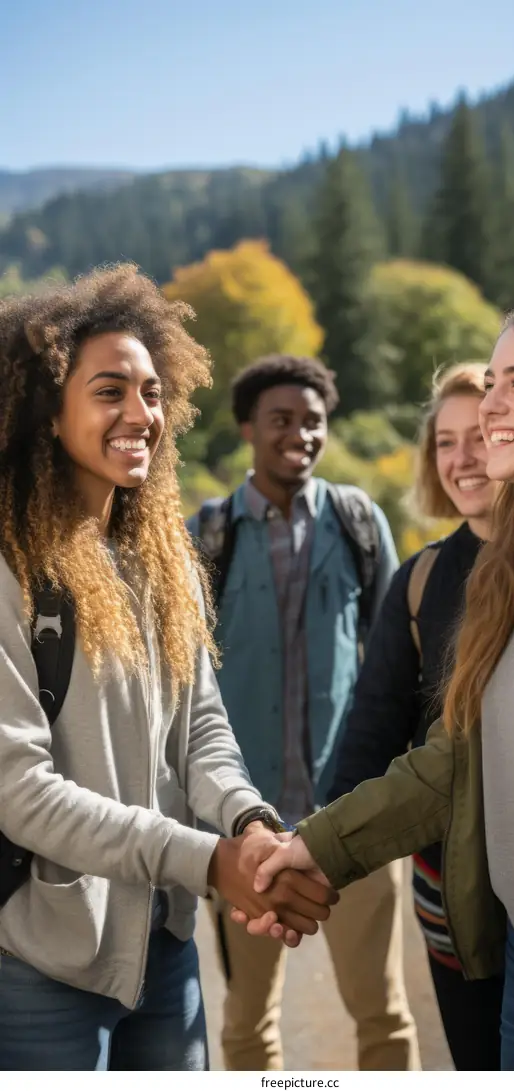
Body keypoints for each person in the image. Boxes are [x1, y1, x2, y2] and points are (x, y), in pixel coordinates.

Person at [246, 292, 514, 1072]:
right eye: (493, 375)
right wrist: (315, 847)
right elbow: (454, 761)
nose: (492, 404)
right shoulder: (506, 580)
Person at [0, 266, 336, 1072]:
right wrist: (207, 859)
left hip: (166, 951)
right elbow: (20, 789)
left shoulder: (164, 561)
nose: (140, 415)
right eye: (109, 391)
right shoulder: (12, 567)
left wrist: (249, 825)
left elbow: (202, 733)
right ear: (49, 409)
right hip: (42, 964)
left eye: (152, 392)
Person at [187, 354, 420, 1071]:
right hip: (246, 829)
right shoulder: (209, 536)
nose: (300, 434)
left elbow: (395, 666)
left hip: (353, 819)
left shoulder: (357, 521)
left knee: (383, 1016)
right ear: (247, 428)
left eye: (313, 421)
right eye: (282, 419)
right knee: (248, 1023)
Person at [327, 362, 504, 1070]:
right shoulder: (423, 576)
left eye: (481, 436)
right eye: (444, 441)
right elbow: (370, 734)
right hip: (450, 905)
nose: (462, 459)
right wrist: (311, 862)